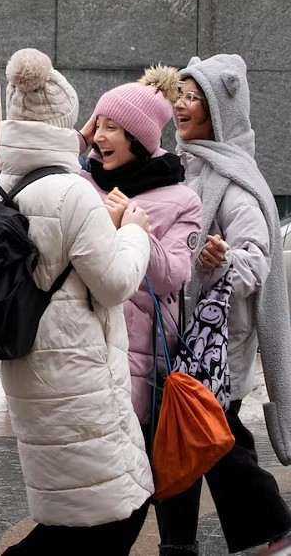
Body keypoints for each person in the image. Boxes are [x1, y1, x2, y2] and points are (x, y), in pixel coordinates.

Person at [0, 49, 154, 555]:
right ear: (66, 125)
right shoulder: (72, 193)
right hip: (78, 375)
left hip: (28, 364)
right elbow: (113, 284)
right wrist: (134, 234)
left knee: (74, 511)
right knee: (115, 511)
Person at [154, 53, 291, 555]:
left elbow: (257, 261)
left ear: (219, 111)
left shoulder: (234, 184)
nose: (182, 105)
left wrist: (221, 257)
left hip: (216, 347)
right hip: (179, 340)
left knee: (209, 441)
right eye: (181, 95)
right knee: (188, 441)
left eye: (195, 97)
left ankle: (272, 531)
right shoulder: (183, 169)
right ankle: (193, 543)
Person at [78, 65, 201, 430]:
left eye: (110, 128)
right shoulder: (81, 180)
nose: (99, 136)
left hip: (138, 361)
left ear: (139, 136)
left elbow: (173, 277)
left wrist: (134, 230)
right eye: (97, 125)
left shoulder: (182, 200)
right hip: (79, 348)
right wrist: (79, 138)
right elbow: (19, 173)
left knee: (131, 473)